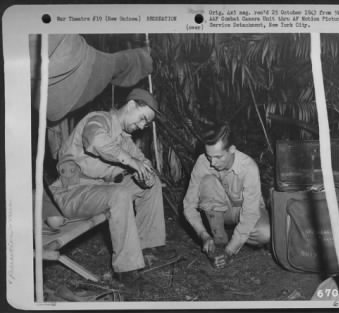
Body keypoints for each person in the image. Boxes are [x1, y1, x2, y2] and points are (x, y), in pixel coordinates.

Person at [49, 88, 174, 284]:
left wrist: (146, 175)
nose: (142, 126)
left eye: (146, 124)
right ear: (131, 105)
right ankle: (127, 270)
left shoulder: (124, 138)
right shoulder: (98, 119)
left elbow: (142, 161)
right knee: (119, 194)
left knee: (152, 185)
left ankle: (146, 246)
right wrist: (131, 162)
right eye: (142, 118)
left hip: (96, 190)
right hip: (70, 193)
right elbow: (97, 142)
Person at [183, 123, 270, 268]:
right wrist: (203, 235)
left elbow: (249, 214)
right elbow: (188, 205)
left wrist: (230, 251)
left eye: (218, 157)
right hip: (221, 211)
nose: (213, 163)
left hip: (245, 208)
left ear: (232, 149)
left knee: (264, 233)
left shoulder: (248, 167)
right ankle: (219, 239)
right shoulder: (202, 162)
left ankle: (231, 243)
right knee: (208, 181)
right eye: (209, 156)